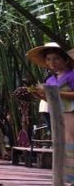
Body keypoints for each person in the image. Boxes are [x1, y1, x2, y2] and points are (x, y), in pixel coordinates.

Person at [27, 41, 74, 181]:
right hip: (58, 116)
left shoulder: (72, 75)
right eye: (48, 59)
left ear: (65, 59)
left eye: (56, 58)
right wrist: (37, 95)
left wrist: (57, 93)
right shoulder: (50, 80)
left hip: (71, 113)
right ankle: (67, 178)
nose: (52, 62)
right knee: (62, 146)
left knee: (72, 143)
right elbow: (52, 100)